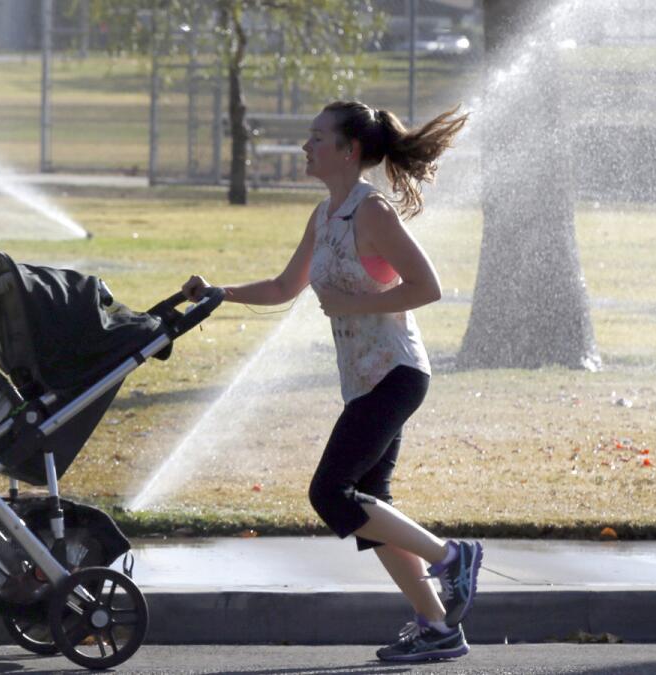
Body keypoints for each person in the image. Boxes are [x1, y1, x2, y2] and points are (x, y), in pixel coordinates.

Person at [182, 101, 481, 663]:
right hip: (366, 382)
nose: (306, 147)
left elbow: (428, 286)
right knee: (374, 506)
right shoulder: (324, 216)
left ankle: (452, 559)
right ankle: (439, 629)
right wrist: (219, 292)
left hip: (397, 372)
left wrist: (354, 304)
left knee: (331, 494)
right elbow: (283, 287)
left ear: (347, 151)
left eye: (316, 138)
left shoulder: (372, 212)